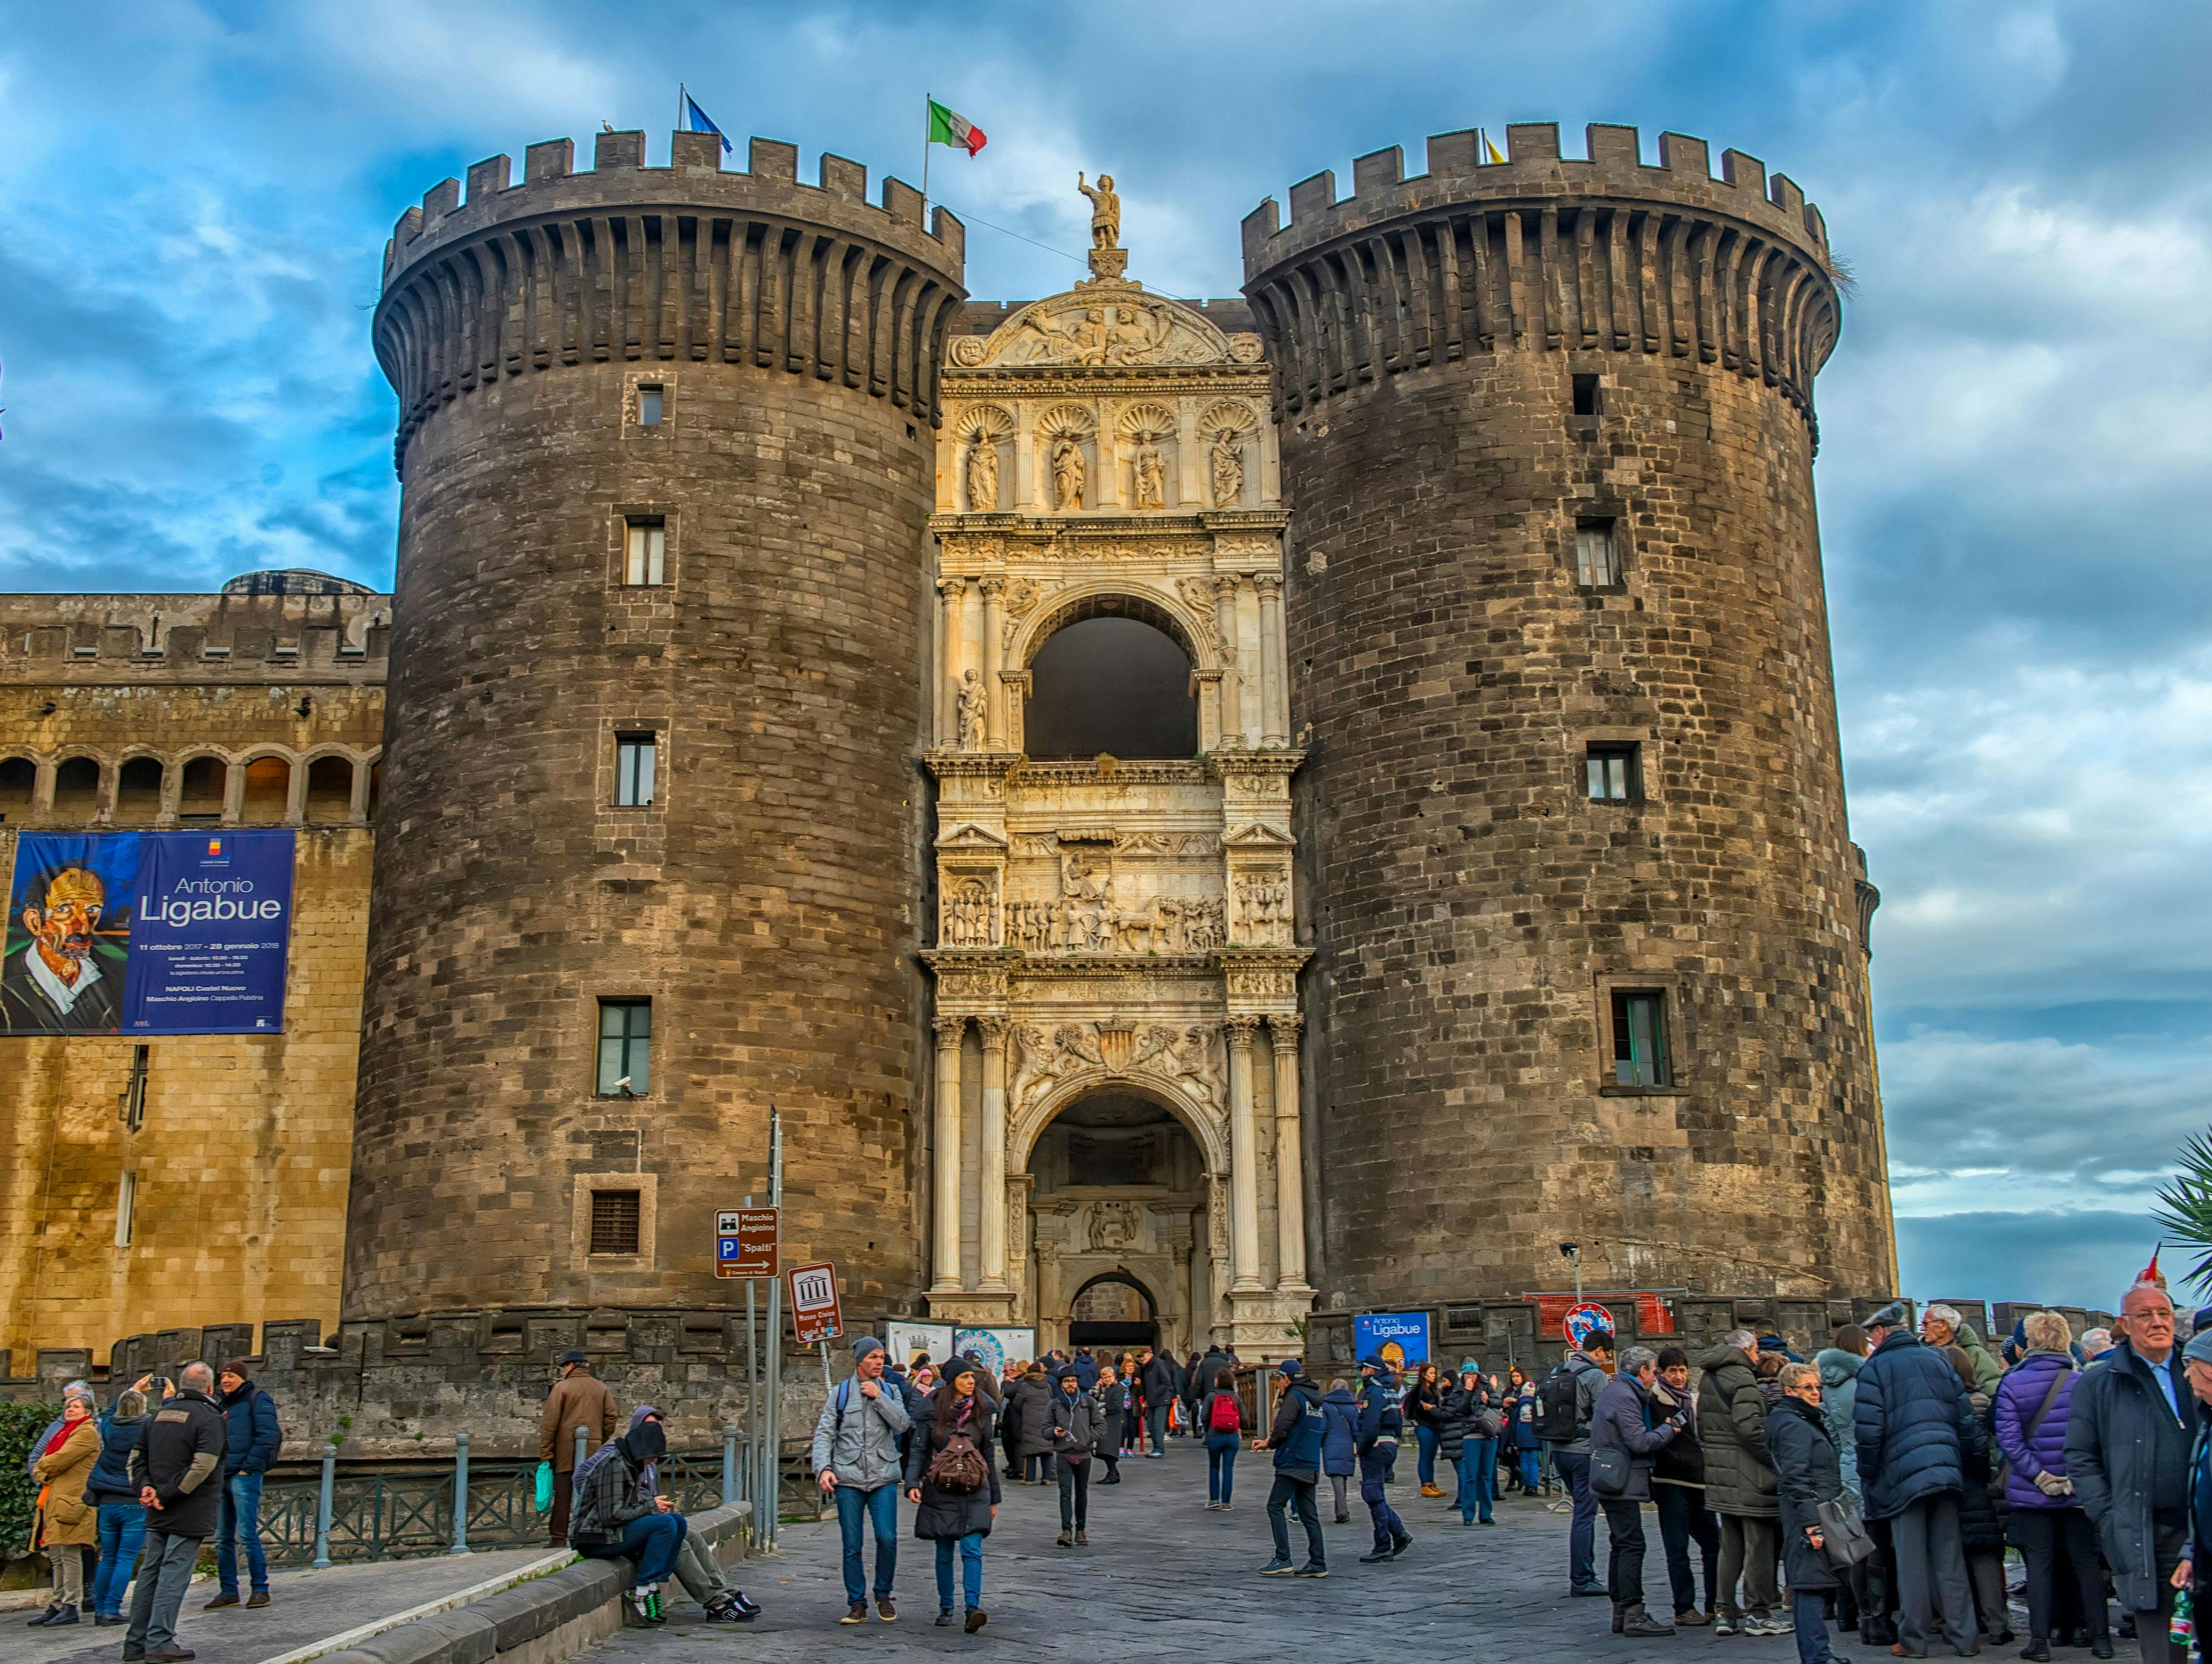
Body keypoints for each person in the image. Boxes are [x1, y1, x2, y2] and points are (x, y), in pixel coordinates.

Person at [2068, 1280, 2193, 1664]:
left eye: (2164, 1313)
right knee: (2162, 1649)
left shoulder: (2197, 1370)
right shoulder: (2099, 1382)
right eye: (2145, 1315)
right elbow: (2080, 1456)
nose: (2157, 1323)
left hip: (2201, 1525)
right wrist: (2106, 1515)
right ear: (2125, 1324)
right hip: (2141, 1530)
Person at [1855, 1299, 1983, 1660]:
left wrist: (1869, 1473)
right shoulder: (1939, 1362)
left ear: (1880, 1333)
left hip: (1901, 1476)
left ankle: (1914, 1640)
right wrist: (1972, 1464)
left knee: (1911, 1562)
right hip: (1944, 1470)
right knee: (1949, 1559)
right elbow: (1965, 1421)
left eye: (1872, 1336)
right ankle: (1966, 1638)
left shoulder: (1875, 1369)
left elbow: (1869, 1432)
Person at [1997, 1310, 2108, 1661]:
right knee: (2086, 1564)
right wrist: (2074, 1477)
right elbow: (2095, 1438)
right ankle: (2101, 1640)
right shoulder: (2083, 1382)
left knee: (2040, 1566)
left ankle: (2040, 1643)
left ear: (2029, 1343)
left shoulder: (2012, 1383)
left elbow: (2010, 1441)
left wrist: (2040, 1477)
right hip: (2078, 1490)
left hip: (2032, 1492)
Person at [125, 1360, 227, 1664]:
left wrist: (145, 1488)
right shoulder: (209, 1418)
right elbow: (203, 1466)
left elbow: (136, 1458)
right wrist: (168, 1495)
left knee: (151, 1572)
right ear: (210, 1388)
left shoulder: (157, 1416)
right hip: (187, 1508)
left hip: (155, 1506)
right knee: (173, 1574)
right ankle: (159, 1642)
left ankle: (135, 1644)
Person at [810, 1334, 913, 1625]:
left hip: (883, 1475)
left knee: (887, 1538)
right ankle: (857, 1603)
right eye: (873, 1357)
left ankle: (883, 1594)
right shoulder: (840, 1394)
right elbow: (824, 1434)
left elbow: (903, 1425)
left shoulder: (891, 1391)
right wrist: (824, 1468)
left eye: (881, 1357)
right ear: (860, 1361)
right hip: (848, 1476)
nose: (879, 1362)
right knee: (852, 1545)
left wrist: (878, 1398)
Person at [1591, 1344, 1686, 1638]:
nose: (1656, 1377)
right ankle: (1633, 1612)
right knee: (1631, 1544)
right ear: (1643, 1371)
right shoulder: (1625, 1396)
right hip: (1622, 1480)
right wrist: (1669, 1430)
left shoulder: (1616, 1391)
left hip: (1613, 1477)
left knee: (1622, 1543)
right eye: (1654, 1371)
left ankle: (1622, 1611)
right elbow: (1640, 1442)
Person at [1699, 1327, 1789, 1638]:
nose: (1759, 1355)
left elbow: (1704, 1427)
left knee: (1731, 1545)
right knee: (1759, 1545)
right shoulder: (1743, 1378)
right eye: (1756, 1350)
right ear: (1747, 1349)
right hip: (1750, 1474)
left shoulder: (1708, 1377)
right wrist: (1773, 1461)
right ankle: (1759, 1612)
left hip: (1720, 1473)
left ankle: (1725, 1611)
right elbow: (1750, 1428)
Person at [905, 1363, 1001, 1633]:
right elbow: (919, 1450)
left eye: (972, 1377)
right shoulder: (932, 1412)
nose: (971, 1381)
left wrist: (994, 1497)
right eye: (965, 1377)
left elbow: (989, 1456)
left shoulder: (982, 1411)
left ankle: (973, 1607)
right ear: (951, 1381)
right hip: (941, 1487)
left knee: (972, 1549)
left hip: (975, 1487)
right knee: (944, 1550)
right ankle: (946, 1607)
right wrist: (912, 1481)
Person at [1766, 1359, 1849, 1664]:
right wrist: (1811, 1524)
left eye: (1818, 1387)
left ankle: (1818, 1654)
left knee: (1811, 1583)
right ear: (1790, 1391)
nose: (1816, 1393)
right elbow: (1794, 1477)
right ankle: (1817, 1656)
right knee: (1810, 1585)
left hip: (1812, 1508)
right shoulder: (1793, 1424)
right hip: (1810, 1511)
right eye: (1808, 1388)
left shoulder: (1796, 1419)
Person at [570, 1413, 686, 1626]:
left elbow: (627, 1509)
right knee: (665, 1524)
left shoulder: (631, 1464)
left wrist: (651, 1508)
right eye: (653, 1455)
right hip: (594, 1538)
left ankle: (653, 1586)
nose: (655, 1461)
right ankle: (641, 1592)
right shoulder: (614, 1464)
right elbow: (611, 1515)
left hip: (612, 1532)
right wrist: (651, 1507)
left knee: (678, 1523)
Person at [1938, 1343, 2013, 1646]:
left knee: (1954, 1558)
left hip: (1950, 1485)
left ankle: (1964, 1621)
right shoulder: (1982, 1400)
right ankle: (1997, 1623)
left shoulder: (1939, 1405)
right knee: (1985, 1556)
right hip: (1979, 1485)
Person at [1542, 1326, 1614, 1597]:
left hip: (1558, 1451)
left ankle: (1582, 1575)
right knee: (1585, 1514)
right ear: (1598, 1351)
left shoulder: (1559, 1370)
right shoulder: (1594, 1375)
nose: (1606, 1361)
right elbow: (1604, 1414)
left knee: (1579, 1511)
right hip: (1583, 1451)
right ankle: (1582, 1578)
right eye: (1606, 1356)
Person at [204, 1358, 280, 1612]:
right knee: (223, 1537)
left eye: (231, 1376)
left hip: (244, 1475)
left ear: (243, 1379)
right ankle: (228, 1591)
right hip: (222, 1475)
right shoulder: (218, 1404)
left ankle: (260, 1589)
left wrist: (249, 1466)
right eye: (223, 1376)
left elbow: (269, 1435)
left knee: (247, 1534)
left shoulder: (257, 1399)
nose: (225, 1380)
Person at [1651, 1345, 1718, 1628]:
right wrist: (1679, 1461)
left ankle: (1717, 1603)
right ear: (1661, 1373)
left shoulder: (1692, 1400)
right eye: (1672, 1371)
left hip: (1699, 1482)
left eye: (1681, 1370)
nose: (1678, 1376)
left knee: (1715, 1544)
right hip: (1670, 1481)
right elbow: (1655, 1441)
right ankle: (1684, 1606)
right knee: (1677, 1546)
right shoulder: (1655, 1401)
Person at [26, 1384, 100, 1627]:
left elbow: (60, 1459)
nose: (70, 1410)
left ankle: (70, 1605)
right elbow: (43, 1463)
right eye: (68, 1406)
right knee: (56, 1555)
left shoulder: (86, 1433)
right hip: (55, 1499)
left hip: (72, 1502)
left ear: (87, 1412)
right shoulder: (63, 1432)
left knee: (69, 1555)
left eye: (76, 1407)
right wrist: (43, 1470)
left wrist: (43, 1467)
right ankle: (57, 1604)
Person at [1254, 1358, 1328, 1577]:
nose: (1280, 1383)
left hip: (1292, 1461)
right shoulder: (1315, 1400)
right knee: (1309, 1515)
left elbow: (1283, 1426)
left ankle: (1283, 1557)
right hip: (1311, 1462)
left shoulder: (1294, 1397)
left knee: (1274, 1506)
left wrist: (1269, 1442)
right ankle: (1318, 1562)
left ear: (1286, 1378)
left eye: (1280, 1379)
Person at [86, 1385, 153, 1626]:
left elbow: (109, 1411)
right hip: (132, 1500)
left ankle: (100, 1607)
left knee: (108, 1557)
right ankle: (111, 1609)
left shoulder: (108, 1426)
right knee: (126, 1558)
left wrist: (132, 1388)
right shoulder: (147, 1426)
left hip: (107, 1501)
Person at [540, 1349, 618, 1548]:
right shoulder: (601, 1388)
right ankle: (590, 1534)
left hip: (565, 1453)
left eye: (564, 1366)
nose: (563, 1370)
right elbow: (611, 1418)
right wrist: (598, 1439)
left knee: (563, 1495)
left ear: (571, 1366)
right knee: (592, 1493)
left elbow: (550, 1424)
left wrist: (546, 1453)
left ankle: (559, 1538)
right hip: (593, 1451)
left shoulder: (561, 1388)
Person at [1354, 1356, 1413, 1563]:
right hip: (1389, 1445)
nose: (1360, 1372)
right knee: (1375, 1493)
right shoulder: (1391, 1391)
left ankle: (1384, 1543)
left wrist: (1361, 1448)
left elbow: (1369, 1427)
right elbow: (1398, 1423)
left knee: (1372, 1494)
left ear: (1370, 1370)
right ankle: (1397, 1532)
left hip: (1376, 1446)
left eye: (1362, 1369)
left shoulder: (1374, 1392)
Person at [1046, 1366, 1100, 1547]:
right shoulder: (1054, 1405)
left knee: (1082, 1493)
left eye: (1073, 1381)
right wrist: (1053, 1431)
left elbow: (1101, 1426)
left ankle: (1081, 1530)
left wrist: (1088, 1438)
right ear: (1061, 1384)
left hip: (1084, 1454)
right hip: (1064, 1454)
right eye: (1067, 1381)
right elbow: (1045, 1429)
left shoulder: (1088, 1403)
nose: (1071, 1384)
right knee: (1066, 1494)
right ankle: (1066, 1530)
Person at [1439, 1363, 1499, 1526]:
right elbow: (1462, 1409)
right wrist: (1468, 1391)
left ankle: (1486, 1514)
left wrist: (1489, 1401)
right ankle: (1468, 1514)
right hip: (1470, 1435)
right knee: (1470, 1475)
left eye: (1473, 1374)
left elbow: (1498, 1403)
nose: (1471, 1377)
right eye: (1468, 1374)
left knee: (1486, 1476)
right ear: (1463, 1376)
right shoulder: (1458, 1391)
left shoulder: (1486, 1387)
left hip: (1488, 1434)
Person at [1922, 1305, 2004, 1398]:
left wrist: (1973, 1404)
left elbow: (1993, 1390)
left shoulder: (1975, 1354)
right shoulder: (1919, 1353)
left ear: (1943, 1325)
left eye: (1926, 1323)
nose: (1922, 1328)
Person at [1200, 1369, 1246, 1510]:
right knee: (1228, 1468)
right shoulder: (1236, 1398)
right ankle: (1226, 1502)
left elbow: (1204, 1417)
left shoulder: (1212, 1396)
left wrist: (1208, 1431)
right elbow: (1244, 1419)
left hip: (1215, 1435)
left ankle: (1214, 1499)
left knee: (1214, 1467)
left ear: (1218, 1380)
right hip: (1232, 1437)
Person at [1320, 1377, 1359, 1524]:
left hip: (1331, 1444)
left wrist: (1319, 1443)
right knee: (1342, 1478)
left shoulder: (1326, 1406)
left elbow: (1323, 1428)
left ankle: (1342, 1512)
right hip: (1348, 1445)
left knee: (1336, 1478)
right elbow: (1356, 1429)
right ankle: (1341, 1511)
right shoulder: (1353, 1407)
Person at [1008, 1363, 1055, 1483]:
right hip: (1046, 1421)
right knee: (1046, 1449)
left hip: (1030, 1421)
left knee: (1030, 1450)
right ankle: (1047, 1478)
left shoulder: (1025, 1386)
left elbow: (1017, 1403)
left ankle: (1029, 1478)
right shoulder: (1047, 1385)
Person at [1408, 1361, 1445, 1497]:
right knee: (1425, 1455)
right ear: (1423, 1374)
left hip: (1435, 1425)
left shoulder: (1434, 1390)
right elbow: (1409, 1406)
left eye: (1435, 1373)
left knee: (1431, 1456)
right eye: (1431, 1373)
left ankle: (1432, 1482)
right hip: (1424, 1425)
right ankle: (1425, 1484)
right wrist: (1415, 1421)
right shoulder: (1418, 1389)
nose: (1433, 1376)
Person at [1510, 1371, 1546, 1498]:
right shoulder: (1537, 1404)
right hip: (1535, 1435)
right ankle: (1534, 1486)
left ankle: (1526, 1486)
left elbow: (1513, 1423)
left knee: (1524, 1461)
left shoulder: (1519, 1405)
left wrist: (1514, 1440)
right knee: (1534, 1461)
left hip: (1521, 1436)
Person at [1140, 1347, 1178, 1456]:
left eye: (1142, 1357)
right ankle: (1156, 1448)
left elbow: (1166, 1381)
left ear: (1148, 1355)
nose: (1141, 1359)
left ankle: (1159, 1449)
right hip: (1152, 1400)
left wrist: (1156, 1393)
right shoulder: (1147, 1367)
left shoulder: (1158, 1364)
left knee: (1157, 1425)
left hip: (1160, 1400)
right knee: (1151, 1425)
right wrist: (1147, 1399)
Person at [1096, 1365, 1126, 1484]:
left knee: (1108, 1449)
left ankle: (1112, 1474)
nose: (1107, 1379)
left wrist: (1101, 1409)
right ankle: (1113, 1473)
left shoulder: (1118, 1389)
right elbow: (1095, 1399)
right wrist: (1098, 1388)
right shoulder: (1105, 1389)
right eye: (1105, 1377)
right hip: (1105, 1422)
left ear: (1114, 1376)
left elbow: (1116, 1406)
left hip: (1112, 1422)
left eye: (1109, 1377)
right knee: (1103, 1449)